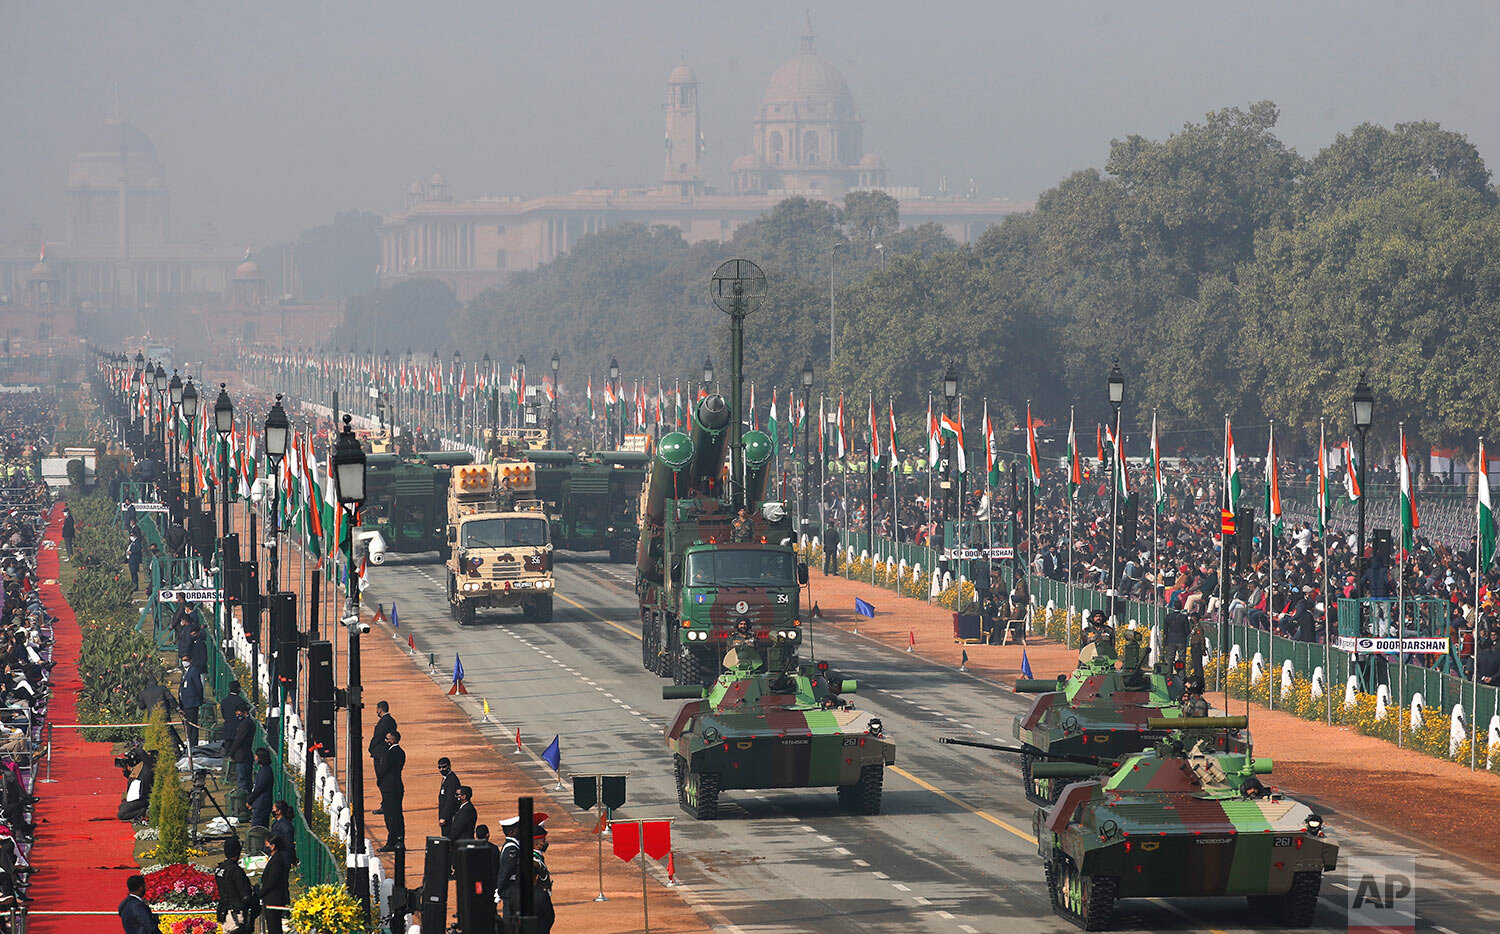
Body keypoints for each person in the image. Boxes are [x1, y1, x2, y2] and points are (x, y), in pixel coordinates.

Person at [213, 837, 254, 933]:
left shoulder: (219, 869)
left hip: (224, 912)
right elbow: (245, 895)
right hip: (236, 914)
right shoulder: (235, 871)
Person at [376, 729, 406, 851]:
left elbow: (384, 769)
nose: (385, 741)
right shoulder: (401, 752)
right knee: (398, 814)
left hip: (389, 787)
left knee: (390, 816)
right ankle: (400, 840)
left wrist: (379, 780)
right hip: (397, 786)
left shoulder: (390, 753)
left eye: (387, 739)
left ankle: (391, 842)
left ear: (393, 740)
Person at [259, 835, 291, 934]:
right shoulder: (275, 858)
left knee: (274, 928)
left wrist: (260, 893)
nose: (265, 847)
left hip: (274, 898)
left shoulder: (277, 860)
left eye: (266, 845)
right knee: (272, 926)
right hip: (272, 898)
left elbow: (272, 881)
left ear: (272, 846)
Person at [369, 701, 396, 813]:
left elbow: (378, 737)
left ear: (380, 710)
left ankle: (386, 804)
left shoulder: (384, 722)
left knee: (382, 779)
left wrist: (371, 748)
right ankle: (387, 803)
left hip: (380, 753)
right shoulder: (391, 721)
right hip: (386, 752)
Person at [227, 707, 255, 797]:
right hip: (246, 755)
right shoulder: (250, 723)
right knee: (247, 780)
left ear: (245, 712)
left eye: (239, 713)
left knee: (242, 781)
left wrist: (231, 752)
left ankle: (243, 801)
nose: (237, 716)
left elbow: (239, 740)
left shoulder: (245, 724)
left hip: (242, 755)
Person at [179, 661, 204, 749]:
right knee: (188, 726)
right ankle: (190, 744)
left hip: (192, 703)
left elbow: (199, 687)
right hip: (186, 703)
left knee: (192, 725)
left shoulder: (193, 671)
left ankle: (193, 746)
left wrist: (200, 699)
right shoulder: (186, 672)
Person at [249, 748, 274, 830]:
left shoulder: (266, 772)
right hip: (260, 804)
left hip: (262, 805)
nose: (255, 758)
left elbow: (259, 788)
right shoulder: (263, 770)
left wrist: (250, 800)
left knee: (258, 828)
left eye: (256, 756)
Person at [436, 757, 460, 837]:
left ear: (449, 766)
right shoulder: (445, 779)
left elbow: (450, 800)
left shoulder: (452, 780)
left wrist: (444, 817)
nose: (441, 769)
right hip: (445, 814)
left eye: (444, 767)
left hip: (449, 816)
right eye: (439, 767)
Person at [269, 800, 298, 867]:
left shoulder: (285, 825)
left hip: (283, 856)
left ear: (279, 811)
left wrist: (292, 859)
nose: (272, 811)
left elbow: (289, 843)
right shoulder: (278, 822)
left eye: (273, 809)